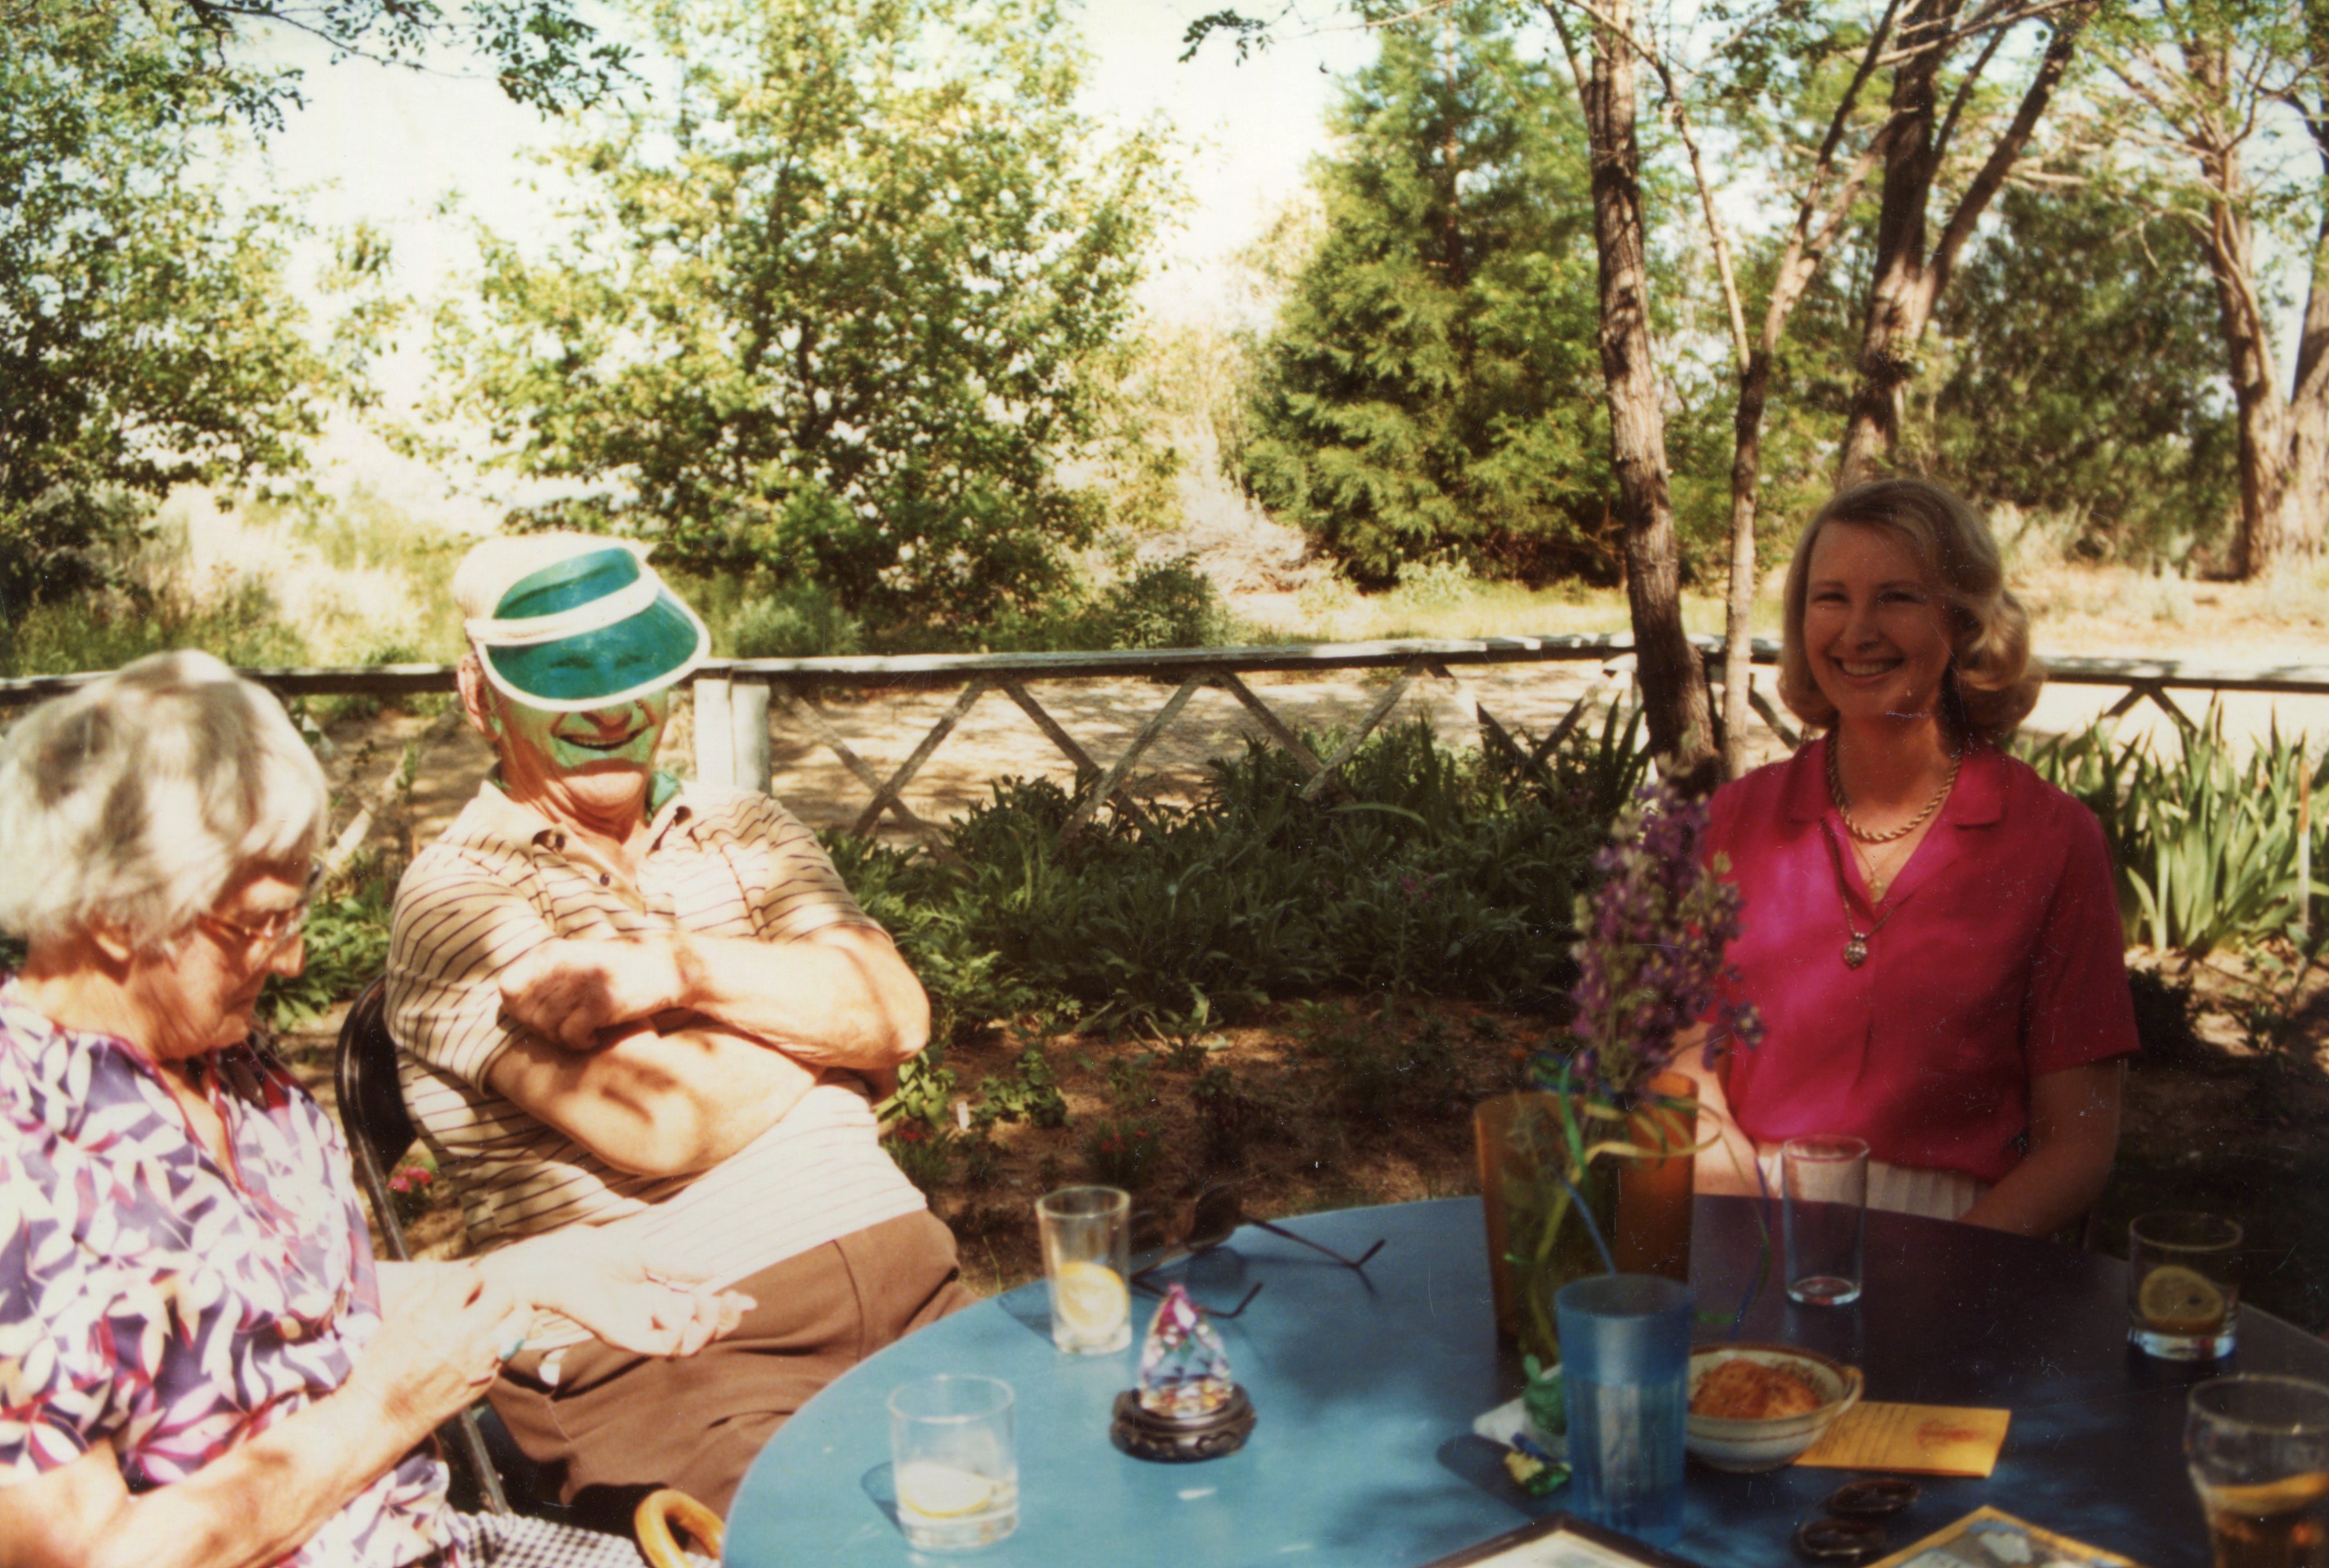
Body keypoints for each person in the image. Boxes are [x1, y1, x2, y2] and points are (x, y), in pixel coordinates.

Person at [0, 651, 747, 1568]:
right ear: (114, 914)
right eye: (258, 922)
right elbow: (88, 1558)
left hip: (425, 1541)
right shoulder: (21, 1155)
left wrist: (533, 1276)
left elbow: (280, 1307)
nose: (292, 960)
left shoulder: (224, 1064)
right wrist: (385, 1410)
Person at [389, 533, 972, 1523]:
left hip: (921, 1294)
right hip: (686, 1359)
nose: (612, 714)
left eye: (632, 675)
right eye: (564, 686)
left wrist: (676, 968)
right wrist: (833, 1050)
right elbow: (664, 1122)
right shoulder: (459, 895)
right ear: (481, 699)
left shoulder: (747, 828)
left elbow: (900, 1013)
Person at [1684, 478, 2136, 1236]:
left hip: (1970, 1247)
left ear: (1963, 624)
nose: (1857, 631)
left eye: (1896, 597)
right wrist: (1754, 1249)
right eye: (1830, 598)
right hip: (1746, 1224)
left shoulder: (2053, 840)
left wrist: (1937, 1289)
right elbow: (1681, 1080)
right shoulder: (1732, 824)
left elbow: (2078, 1147)